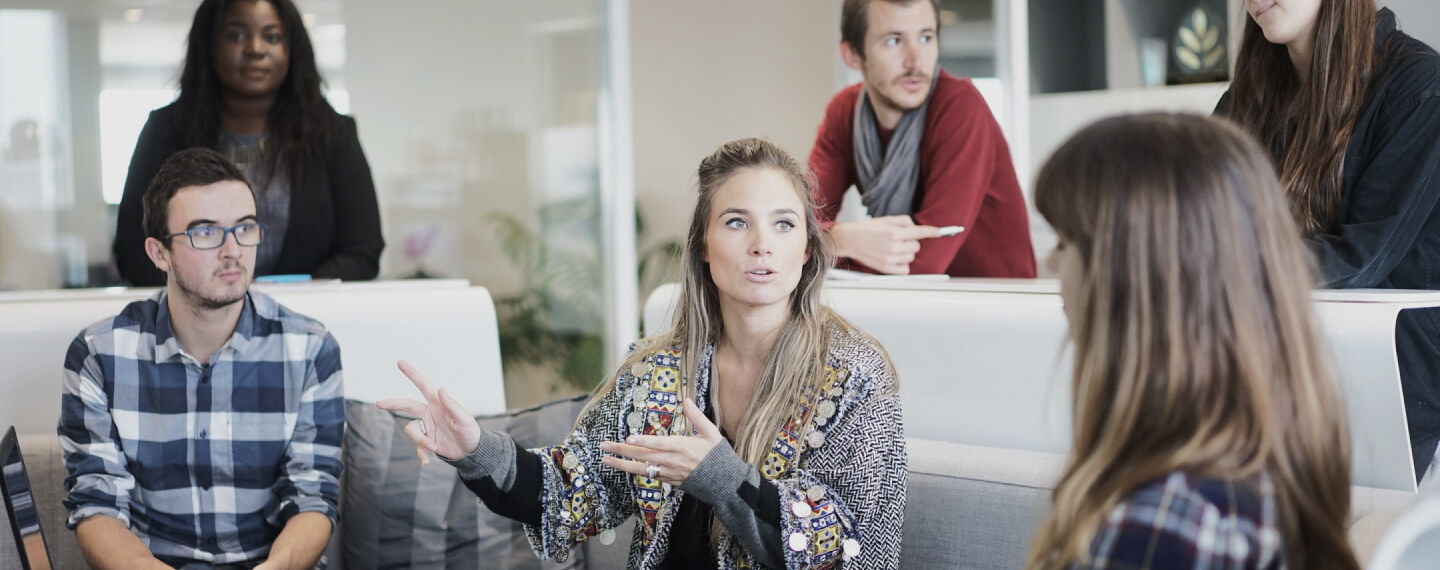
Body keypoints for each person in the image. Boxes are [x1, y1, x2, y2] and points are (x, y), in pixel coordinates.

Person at [379, 137, 907, 569]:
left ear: (807, 249)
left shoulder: (855, 375)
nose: (762, 243)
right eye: (737, 222)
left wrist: (723, 479)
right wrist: (475, 449)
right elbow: (574, 492)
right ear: (703, 244)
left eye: (784, 223)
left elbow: (845, 549)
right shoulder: (656, 368)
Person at [1025, 114, 1358, 569]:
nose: (1049, 263)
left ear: (1132, 276)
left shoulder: (1161, 525)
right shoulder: (1258, 473)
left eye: (1065, 243)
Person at [61, 148, 344, 569]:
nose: (233, 250)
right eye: (206, 233)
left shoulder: (310, 349)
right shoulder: (99, 354)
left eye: (245, 228)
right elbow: (96, 507)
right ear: (159, 253)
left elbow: (313, 496)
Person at [1216, 0, 1440, 482]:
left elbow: (1360, 258)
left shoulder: (1420, 87)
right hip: (1271, 380)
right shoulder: (1246, 98)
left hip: (1389, 395)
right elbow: (1203, 230)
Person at [114, 0, 383, 287]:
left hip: (305, 318)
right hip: (195, 324)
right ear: (209, 44)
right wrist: (216, 294)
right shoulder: (166, 130)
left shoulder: (333, 134)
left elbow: (362, 252)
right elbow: (133, 253)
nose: (256, 49)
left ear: (292, 49)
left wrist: (278, 295)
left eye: (272, 37)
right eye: (236, 35)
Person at [807, 0, 1035, 277]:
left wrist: (821, 246)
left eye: (926, 38)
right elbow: (797, 224)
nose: (916, 61)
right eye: (894, 41)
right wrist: (843, 239)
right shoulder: (844, 113)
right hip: (911, 302)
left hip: (997, 304)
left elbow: (924, 261)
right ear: (853, 55)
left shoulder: (961, 108)